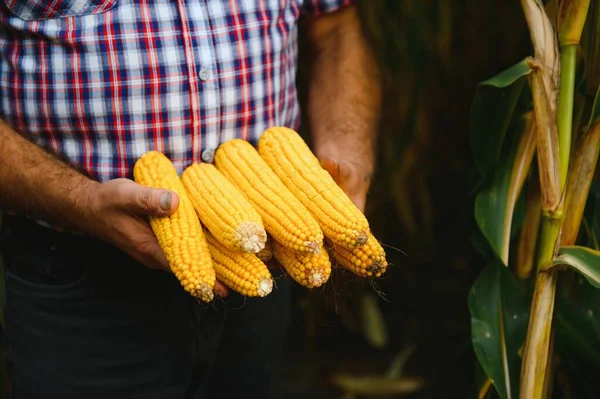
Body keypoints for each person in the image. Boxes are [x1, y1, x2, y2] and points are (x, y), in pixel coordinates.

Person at [0, 0, 381, 398]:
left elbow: (335, 29)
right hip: (80, 282)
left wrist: (347, 148)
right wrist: (81, 201)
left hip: (266, 256)